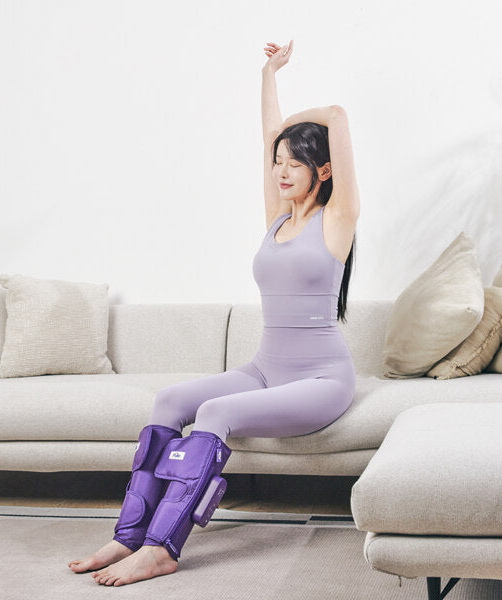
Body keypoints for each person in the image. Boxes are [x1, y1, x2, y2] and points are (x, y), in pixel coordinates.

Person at [68, 38, 360, 587]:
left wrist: (295, 122)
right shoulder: (278, 218)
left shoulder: (338, 218)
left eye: (294, 163)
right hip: (265, 369)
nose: (281, 171)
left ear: (323, 171)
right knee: (169, 400)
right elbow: (267, 138)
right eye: (278, 162)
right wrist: (269, 74)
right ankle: (129, 534)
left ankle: (161, 547)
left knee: (216, 412)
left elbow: (338, 117)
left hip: (321, 379)